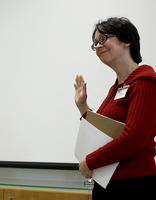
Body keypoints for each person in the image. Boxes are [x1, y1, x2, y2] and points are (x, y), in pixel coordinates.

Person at [74, 17, 156, 199]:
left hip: (133, 184)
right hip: (108, 182)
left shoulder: (144, 81)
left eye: (103, 39)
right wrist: (83, 107)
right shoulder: (117, 88)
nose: (98, 46)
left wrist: (90, 162)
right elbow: (104, 133)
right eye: (95, 43)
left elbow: (133, 139)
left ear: (127, 40)